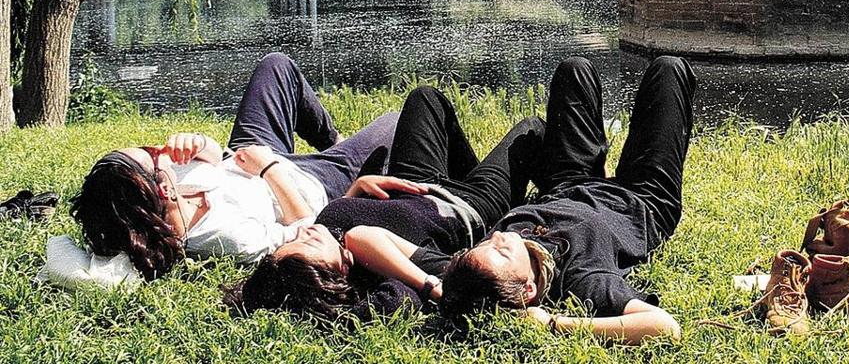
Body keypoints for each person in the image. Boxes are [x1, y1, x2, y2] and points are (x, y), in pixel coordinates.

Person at [432, 55, 695, 345]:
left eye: (487, 243)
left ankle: (597, 162)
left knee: (574, 69)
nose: (500, 239)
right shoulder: (579, 277)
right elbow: (664, 327)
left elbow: (379, 241)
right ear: (527, 290)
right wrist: (555, 323)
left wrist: (432, 286)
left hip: (568, 184)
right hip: (641, 201)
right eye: (503, 253)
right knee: (669, 69)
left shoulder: (474, 272)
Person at [70, 53, 407, 279]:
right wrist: (268, 170)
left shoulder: (167, 189)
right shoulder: (228, 238)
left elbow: (216, 161)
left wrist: (201, 145)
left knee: (277, 65)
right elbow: (307, 225)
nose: (161, 151)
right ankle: (344, 160)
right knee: (396, 123)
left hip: (245, 158)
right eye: (152, 154)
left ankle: (334, 143)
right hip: (303, 182)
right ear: (162, 188)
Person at [227, 84, 545, 321]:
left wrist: (356, 189)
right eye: (307, 244)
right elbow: (388, 303)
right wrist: (428, 285)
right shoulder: (386, 273)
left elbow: (343, 223)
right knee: (530, 131)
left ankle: (474, 171)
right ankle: (573, 186)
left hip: (412, 180)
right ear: (336, 272)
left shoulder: (329, 230)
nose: (302, 232)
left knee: (425, 98)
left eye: (296, 239)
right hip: (465, 206)